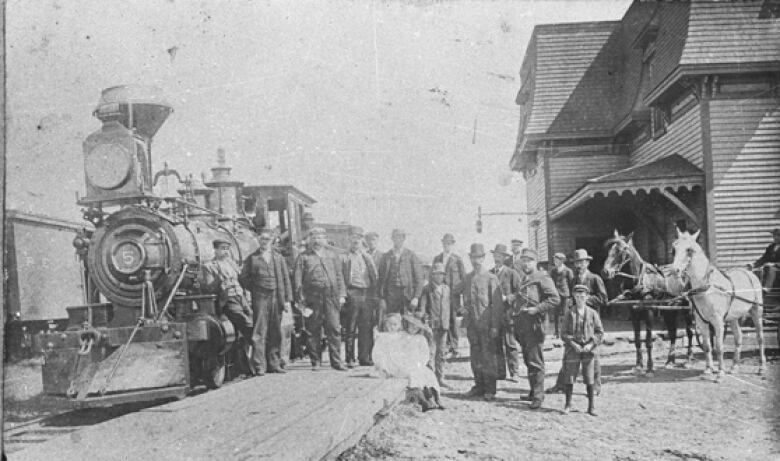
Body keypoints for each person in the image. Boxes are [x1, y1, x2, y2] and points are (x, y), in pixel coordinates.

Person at [239, 229, 293, 374]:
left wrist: (287, 300)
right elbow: (244, 278)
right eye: (262, 239)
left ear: (272, 240)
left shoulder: (278, 257)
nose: (265, 241)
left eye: (267, 239)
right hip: (260, 297)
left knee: (275, 330)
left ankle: (274, 364)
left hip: (277, 295)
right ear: (258, 240)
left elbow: (285, 279)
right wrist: (256, 289)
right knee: (259, 331)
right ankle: (259, 366)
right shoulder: (252, 258)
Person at [293, 227, 348, 371]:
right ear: (310, 240)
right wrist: (301, 301)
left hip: (331, 297)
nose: (317, 240)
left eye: (320, 237)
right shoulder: (303, 257)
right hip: (312, 299)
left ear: (325, 239)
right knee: (313, 330)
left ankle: (336, 362)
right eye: (314, 237)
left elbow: (339, 276)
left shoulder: (332, 255)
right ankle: (315, 361)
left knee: (334, 329)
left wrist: (342, 294)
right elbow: (297, 280)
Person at [512, 248, 560, 409]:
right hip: (523, 325)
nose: (526, 263)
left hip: (534, 325)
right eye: (523, 260)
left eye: (529, 260)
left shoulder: (542, 277)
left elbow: (554, 299)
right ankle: (533, 392)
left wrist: (537, 309)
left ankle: (539, 396)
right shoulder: (525, 278)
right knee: (528, 359)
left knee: (535, 361)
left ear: (535, 262)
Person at [201, 237, 256, 375]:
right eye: (222, 249)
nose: (225, 252)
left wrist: (247, 298)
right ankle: (256, 360)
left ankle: (247, 366)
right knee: (248, 325)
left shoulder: (231, 264)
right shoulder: (209, 266)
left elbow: (241, 281)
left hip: (241, 299)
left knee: (244, 332)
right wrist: (219, 281)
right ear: (216, 250)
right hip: (228, 299)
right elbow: (209, 288)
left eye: (227, 249)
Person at [459, 243, 505, 401]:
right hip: (472, 325)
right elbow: (454, 293)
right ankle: (478, 386)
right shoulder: (467, 278)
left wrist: (495, 326)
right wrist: (460, 308)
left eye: (478, 257)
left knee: (488, 357)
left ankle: (490, 389)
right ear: (470, 258)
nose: (475, 260)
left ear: (483, 258)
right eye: (473, 257)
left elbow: (497, 306)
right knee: (475, 357)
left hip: (487, 326)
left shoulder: (491, 278)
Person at [561, 284, 604, 416]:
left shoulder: (592, 313)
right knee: (570, 377)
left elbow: (599, 332)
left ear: (587, 297)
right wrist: (573, 343)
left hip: (588, 350)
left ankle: (591, 407)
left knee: (589, 378)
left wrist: (591, 345)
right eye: (577, 296)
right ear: (574, 297)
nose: (580, 299)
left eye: (582, 296)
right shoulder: (569, 313)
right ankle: (568, 404)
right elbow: (563, 333)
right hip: (573, 350)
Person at [341, 226, 378, 368]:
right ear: (349, 239)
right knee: (351, 327)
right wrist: (344, 294)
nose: (355, 240)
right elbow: (341, 278)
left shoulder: (367, 257)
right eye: (353, 237)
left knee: (366, 328)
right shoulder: (344, 257)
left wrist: (374, 295)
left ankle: (364, 357)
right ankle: (349, 358)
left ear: (362, 240)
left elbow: (374, 277)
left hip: (367, 294)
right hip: (353, 293)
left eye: (358, 238)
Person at [488, 244, 522, 382]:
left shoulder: (511, 273)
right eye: (495, 255)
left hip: (508, 314)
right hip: (494, 316)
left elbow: (520, 292)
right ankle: (500, 372)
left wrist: (507, 298)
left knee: (510, 344)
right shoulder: (489, 274)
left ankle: (514, 372)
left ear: (504, 257)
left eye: (500, 256)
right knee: (496, 344)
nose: (497, 258)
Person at [377, 229, 424, 323]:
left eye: (400, 237)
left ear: (403, 239)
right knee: (391, 321)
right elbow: (381, 279)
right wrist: (381, 298)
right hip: (390, 295)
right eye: (395, 237)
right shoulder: (386, 256)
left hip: (406, 294)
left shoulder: (411, 255)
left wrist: (416, 297)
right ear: (392, 239)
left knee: (407, 321)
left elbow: (419, 278)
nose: (397, 240)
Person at [416, 262, 451, 388]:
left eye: (441, 275)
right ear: (433, 275)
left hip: (444, 325)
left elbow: (448, 308)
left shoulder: (446, 289)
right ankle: (430, 379)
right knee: (430, 352)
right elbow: (423, 308)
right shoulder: (427, 289)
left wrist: (449, 324)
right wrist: (426, 323)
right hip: (432, 326)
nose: (439, 277)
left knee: (441, 353)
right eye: (436, 274)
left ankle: (440, 378)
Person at [432, 233, 466, 358]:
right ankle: (444, 346)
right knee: (442, 319)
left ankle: (455, 347)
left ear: (452, 244)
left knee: (452, 319)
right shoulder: (437, 258)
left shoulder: (457, 259)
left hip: (452, 294)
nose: (447, 245)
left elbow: (463, 278)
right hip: (440, 295)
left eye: (449, 243)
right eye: (445, 243)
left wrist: (461, 295)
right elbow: (432, 276)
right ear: (442, 244)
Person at [365, 231, 385, 348]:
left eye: (374, 240)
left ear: (377, 242)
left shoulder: (383, 256)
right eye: (369, 240)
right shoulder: (363, 255)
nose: (371, 243)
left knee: (380, 322)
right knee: (366, 324)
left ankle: (379, 351)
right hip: (366, 294)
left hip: (379, 293)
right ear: (366, 242)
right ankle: (366, 353)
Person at [549, 252, 574, 338]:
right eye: (554, 260)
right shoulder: (553, 271)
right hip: (556, 295)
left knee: (565, 313)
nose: (555, 261)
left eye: (557, 260)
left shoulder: (568, 271)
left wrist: (571, 297)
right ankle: (557, 332)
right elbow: (550, 283)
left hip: (565, 295)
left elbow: (572, 284)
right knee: (556, 314)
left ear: (562, 261)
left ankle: (565, 332)